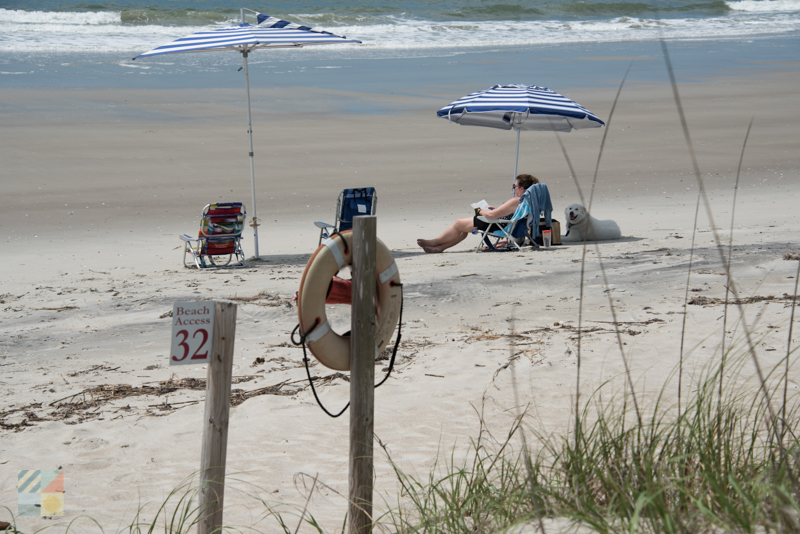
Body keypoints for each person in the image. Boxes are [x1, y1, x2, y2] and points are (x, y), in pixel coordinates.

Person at [417, 174, 538, 253]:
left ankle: (435, 242)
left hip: (496, 224)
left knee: (458, 223)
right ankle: (440, 248)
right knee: (463, 230)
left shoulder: (516, 200)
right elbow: (510, 214)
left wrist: (481, 211)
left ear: (522, 189)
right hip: (502, 222)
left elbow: (492, 216)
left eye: (515, 186)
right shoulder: (527, 202)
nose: (514, 189)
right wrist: (495, 209)